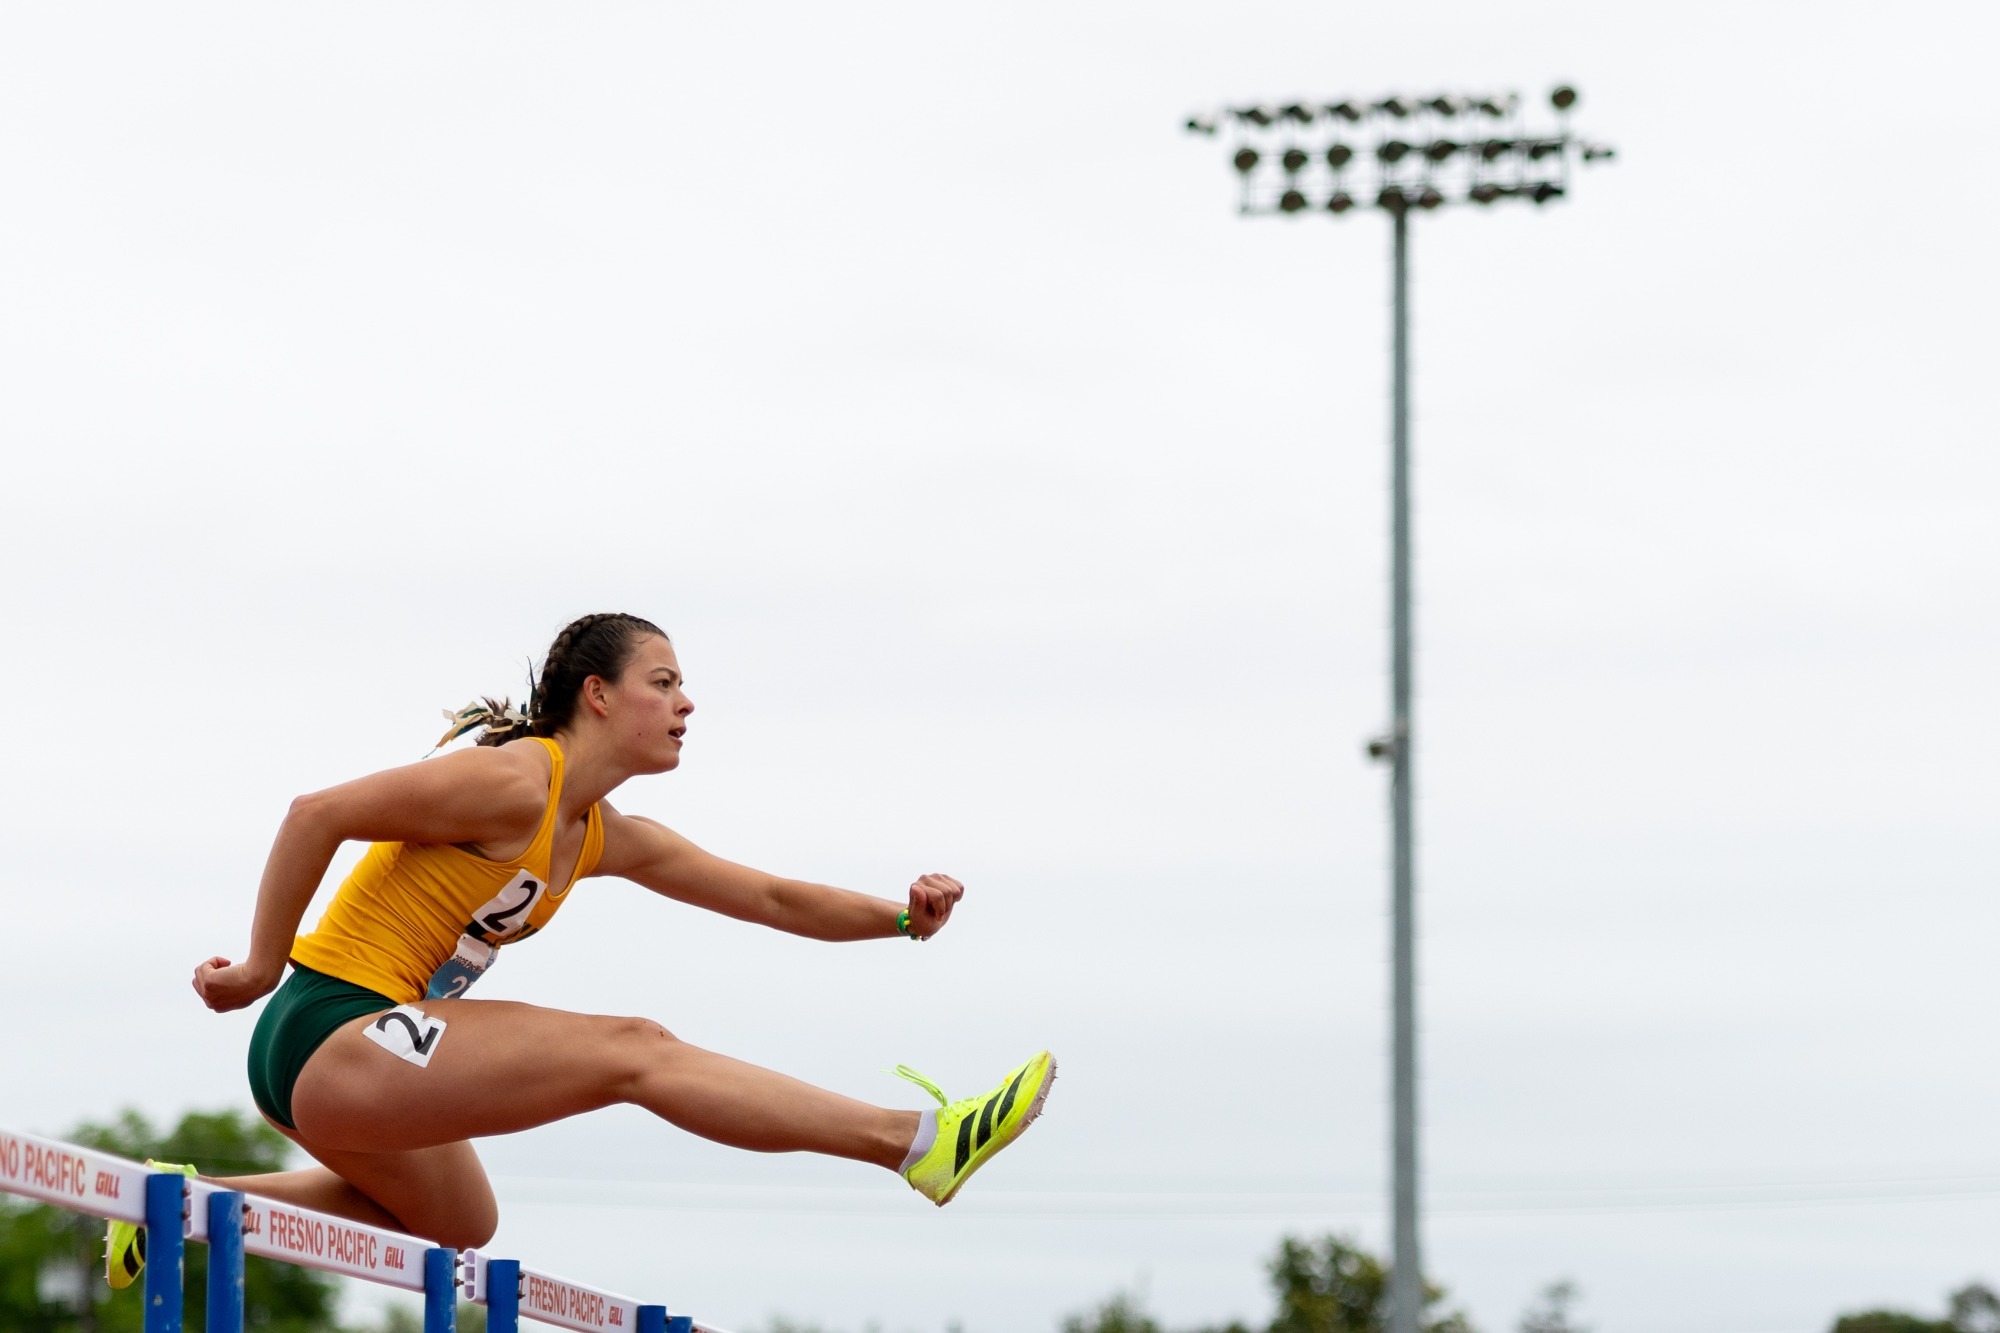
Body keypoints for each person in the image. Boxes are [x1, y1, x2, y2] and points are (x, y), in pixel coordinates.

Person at [108, 612, 1052, 1286]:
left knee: (459, 1225)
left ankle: (179, 1204)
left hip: (354, 1062)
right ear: (598, 695)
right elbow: (316, 813)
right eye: (666, 680)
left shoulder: (599, 831)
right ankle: (913, 1142)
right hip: (329, 1023)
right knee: (632, 1049)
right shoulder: (515, 783)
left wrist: (901, 916)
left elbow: (768, 896)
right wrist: (261, 964)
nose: (688, 701)